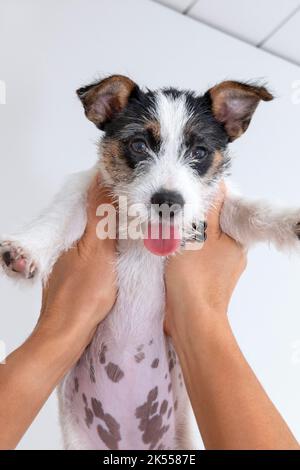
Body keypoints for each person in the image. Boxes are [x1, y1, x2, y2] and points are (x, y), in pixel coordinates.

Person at [0, 178, 298, 450]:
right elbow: (63, 215)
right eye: (141, 147)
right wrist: (35, 246)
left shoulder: (217, 192)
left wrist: (281, 222)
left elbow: (242, 213)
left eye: (194, 152)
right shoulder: (89, 188)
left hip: (167, 431)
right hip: (88, 429)